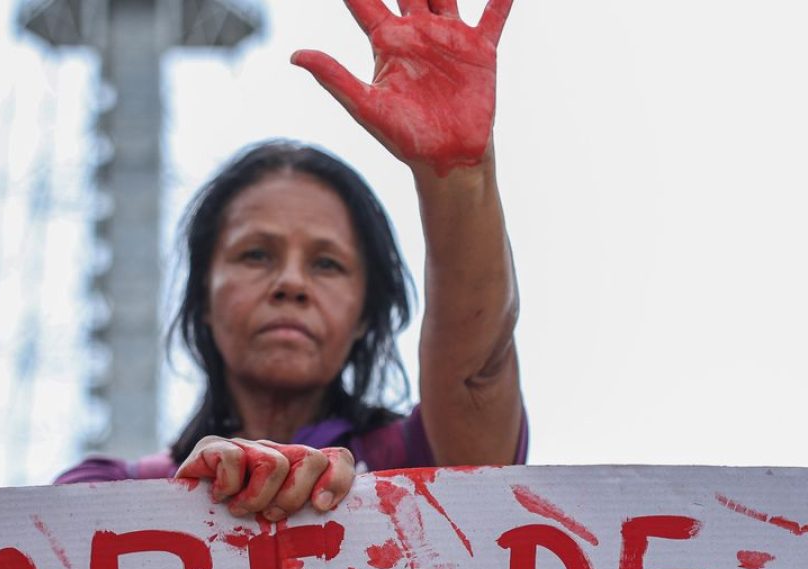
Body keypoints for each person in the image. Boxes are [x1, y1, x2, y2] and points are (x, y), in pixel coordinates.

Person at [57, 0, 524, 521]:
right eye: (256, 255)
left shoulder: (423, 466)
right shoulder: (102, 496)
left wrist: (459, 176)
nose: (291, 283)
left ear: (366, 312)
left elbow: (477, 372)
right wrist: (179, 507)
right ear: (203, 298)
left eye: (327, 264)